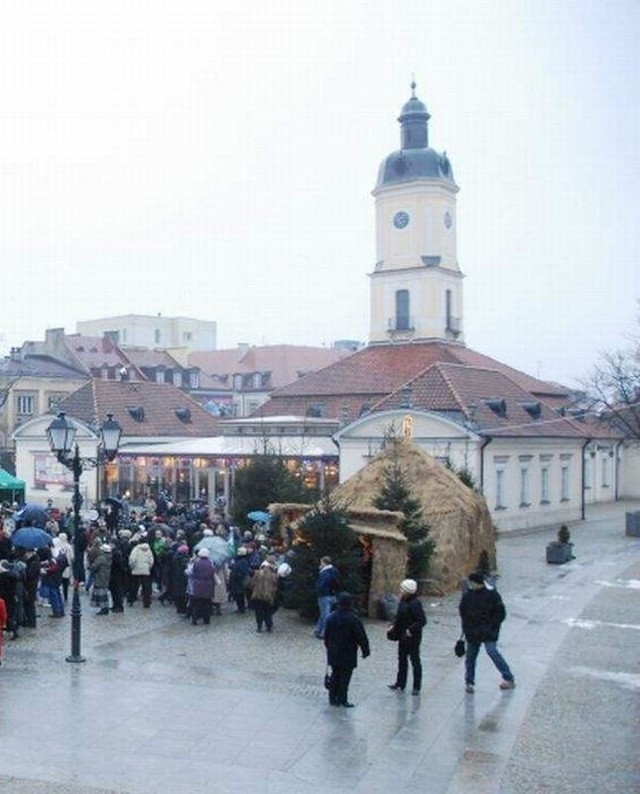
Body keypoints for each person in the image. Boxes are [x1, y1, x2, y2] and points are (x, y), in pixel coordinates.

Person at [459, 571, 515, 693]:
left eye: (472, 582)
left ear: (478, 583)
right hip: (473, 632)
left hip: (488, 631)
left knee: (492, 652)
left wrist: (492, 626)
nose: (470, 584)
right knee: (471, 657)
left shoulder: (492, 595)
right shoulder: (468, 596)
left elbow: (500, 613)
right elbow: (463, 613)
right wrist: (467, 628)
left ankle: (508, 677)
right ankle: (469, 682)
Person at [324, 591, 370, 707]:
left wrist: (329, 648)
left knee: (335, 674)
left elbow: (326, 636)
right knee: (345, 677)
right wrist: (365, 651)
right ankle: (342, 699)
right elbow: (361, 636)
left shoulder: (331, 617)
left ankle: (332, 698)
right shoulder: (353, 619)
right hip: (348, 653)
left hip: (334, 652)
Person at [387, 578, 427, 695]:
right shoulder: (403, 601)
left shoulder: (415, 603)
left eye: (402, 589)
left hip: (413, 637)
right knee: (402, 660)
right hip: (402, 635)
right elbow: (399, 617)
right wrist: (393, 625)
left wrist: (411, 629)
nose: (400, 591)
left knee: (415, 661)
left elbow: (422, 621)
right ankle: (400, 683)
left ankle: (416, 686)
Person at [314, 556, 341, 639]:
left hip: (324, 595)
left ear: (324, 562)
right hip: (332, 594)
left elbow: (321, 585)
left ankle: (324, 632)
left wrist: (318, 591)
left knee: (326, 615)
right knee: (324, 613)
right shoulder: (334, 571)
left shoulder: (324, 573)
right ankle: (318, 630)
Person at [249, 557, 278, 633]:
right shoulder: (273, 575)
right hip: (268, 596)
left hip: (257, 596)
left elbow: (251, 584)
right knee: (268, 612)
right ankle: (269, 627)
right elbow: (275, 586)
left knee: (258, 612)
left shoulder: (257, 572)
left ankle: (259, 627)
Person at [190, 548, 215, 625]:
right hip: (208, 585)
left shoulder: (196, 563)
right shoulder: (210, 564)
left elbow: (193, 572)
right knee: (207, 603)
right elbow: (212, 573)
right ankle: (206, 619)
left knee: (197, 603)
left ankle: (195, 618)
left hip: (198, 585)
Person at [90, 543, 113, 615]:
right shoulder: (110, 557)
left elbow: (94, 567)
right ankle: (106, 607)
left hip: (100, 577)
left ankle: (103, 608)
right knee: (105, 593)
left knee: (101, 593)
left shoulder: (101, 558)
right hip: (107, 577)